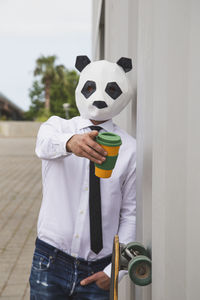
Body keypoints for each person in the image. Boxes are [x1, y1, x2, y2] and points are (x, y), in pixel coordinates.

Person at [29, 56, 136, 300]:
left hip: (101, 270)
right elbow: (42, 145)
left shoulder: (130, 149)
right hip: (50, 261)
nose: (98, 96)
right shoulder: (57, 128)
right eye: (90, 88)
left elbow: (131, 215)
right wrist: (69, 143)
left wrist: (114, 271)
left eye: (110, 89)